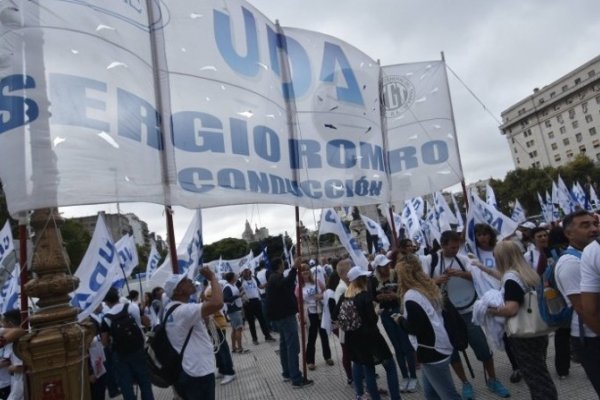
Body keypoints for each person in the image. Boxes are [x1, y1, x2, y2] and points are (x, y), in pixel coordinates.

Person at [423, 230, 509, 400]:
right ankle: (465, 383)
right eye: (452, 247)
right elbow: (422, 284)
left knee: (483, 348)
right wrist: (437, 281)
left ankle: (492, 379)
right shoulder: (430, 261)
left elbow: (478, 277)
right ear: (443, 245)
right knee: (454, 351)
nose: (455, 250)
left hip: (467, 311)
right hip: (445, 315)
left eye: (457, 247)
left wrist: (461, 274)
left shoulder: (462, 259)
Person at [488, 241, 558, 400]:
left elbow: (511, 309)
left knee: (535, 378)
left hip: (523, 335)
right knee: (541, 371)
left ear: (502, 258)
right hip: (538, 330)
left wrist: (489, 311)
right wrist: (481, 267)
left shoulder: (510, 279)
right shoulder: (526, 273)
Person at [396, 254, 461, 400]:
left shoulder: (411, 296)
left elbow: (414, 327)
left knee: (449, 395)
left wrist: (399, 320)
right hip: (439, 345)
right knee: (431, 395)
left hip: (431, 351)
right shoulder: (428, 286)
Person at [554, 210, 600, 395]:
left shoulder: (591, 253)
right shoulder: (570, 263)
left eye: (594, 224)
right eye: (585, 225)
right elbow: (584, 310)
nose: (593, 229)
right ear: (569, 234)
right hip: (592, 337)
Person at [338, 266, 400, 400]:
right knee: (390, 366)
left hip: (355, 340)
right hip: (372, 338)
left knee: (369, 369)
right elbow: (372, 320)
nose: (367, 279)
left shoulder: (344, 297)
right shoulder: (365, 296)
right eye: (365, 277)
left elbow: (335, 315)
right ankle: (396, 397)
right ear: (360, 280)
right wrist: (376, 312)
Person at [164, 267, 224, 400]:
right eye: (185, 281)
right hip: (198, 371)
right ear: (177, 291)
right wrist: (212, 277)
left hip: (186, 370)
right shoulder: (183, 311)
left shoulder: (168, 309)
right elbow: (218, 302)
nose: (190, 281)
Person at [524, 226, 570, 379]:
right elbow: (526, 275)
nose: (543, 238)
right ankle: (549, 363)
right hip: (540, 295)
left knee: (563, 328)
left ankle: (565, 365)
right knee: (550, 330)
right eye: (539, 236)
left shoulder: (557, 252)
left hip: (560, 293)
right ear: (533, 239)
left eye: (545, 235)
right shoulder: (529, 256)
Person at [369, 254, 417, 393]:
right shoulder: (373, 280)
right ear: (378, 267)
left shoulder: (395, 274)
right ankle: (405, 376)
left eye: (387, 265)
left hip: (398, 309)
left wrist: (394, 295)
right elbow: (373, 297)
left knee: (406, 344)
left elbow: (404, 291)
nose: (386, 267)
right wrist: (380, 297)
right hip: (385, 313)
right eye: (383, 266)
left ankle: (413, 376)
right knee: (397, 346)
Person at [266, 258, 314, 388]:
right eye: (283, 264)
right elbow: (286, 284)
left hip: (281, 316)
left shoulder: (273, 278)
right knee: (292, 346)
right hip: (286, 316)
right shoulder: (276, 278)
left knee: (284, 345)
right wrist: (294, 269)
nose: (284, 265)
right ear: (279, 266)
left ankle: (287, 372)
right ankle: (296, 378)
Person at [101, 287, 154, 400]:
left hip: (120, 355)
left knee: (126, 385)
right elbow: (147, 322)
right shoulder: (131, 307)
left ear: (106, 301)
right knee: (144, 381)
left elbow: (104, 342)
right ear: (117, 297)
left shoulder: (106, 318)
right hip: (138, 349)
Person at [296, 263, 333, 370]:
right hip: (310, 313)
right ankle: (310, 361)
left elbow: (326, 292)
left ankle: (328, 357)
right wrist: (301, 315)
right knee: (312, 337)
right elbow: (299, 302)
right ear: (300, 273)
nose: (305, 272)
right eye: (303, 270)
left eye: (307, 269)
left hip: (320, 312)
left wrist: (320, 296)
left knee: (324, 335)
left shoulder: (317, 281)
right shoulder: (299, 287)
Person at [202, 283, 236, 386]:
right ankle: (221, 369)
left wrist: (204, 299)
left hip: (216, 323)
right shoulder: (209, 289)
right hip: (212, 324)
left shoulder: (211, 290)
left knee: (222, 348)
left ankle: (229, 372)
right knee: (217, 348)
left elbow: (216, 304)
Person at [239, 266, 275, 345]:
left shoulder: (254, 278)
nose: (247, 272)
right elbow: (239, 290)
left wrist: (268, 282)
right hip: (247, 303)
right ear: (242, 273)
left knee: (262, 320)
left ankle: (267, 336)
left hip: (257, 301)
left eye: (247, 270)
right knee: (251, 322)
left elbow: (260, 286)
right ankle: (254, 339)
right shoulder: (240, 281)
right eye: (245, 271)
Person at [333, 258, 353, 385]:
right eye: (349, 269)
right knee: (347, 351)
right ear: (343, 273)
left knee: (350, 351)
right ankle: (351, 376)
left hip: (348, 324)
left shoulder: (347, 285)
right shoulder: (342, 288)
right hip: (345, 325)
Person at [222, 272, 248, 353]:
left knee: (234, 329)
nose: (237, 276)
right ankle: (240, 348)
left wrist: (239, 291)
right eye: (235, 275)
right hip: (233, 310)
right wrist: (239, 295)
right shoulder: (227, 287)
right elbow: (226, 299)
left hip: (236, 309)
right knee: (239, 328)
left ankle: (234, 348)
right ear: (232, 278)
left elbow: (233, 294)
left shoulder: (233, 285)